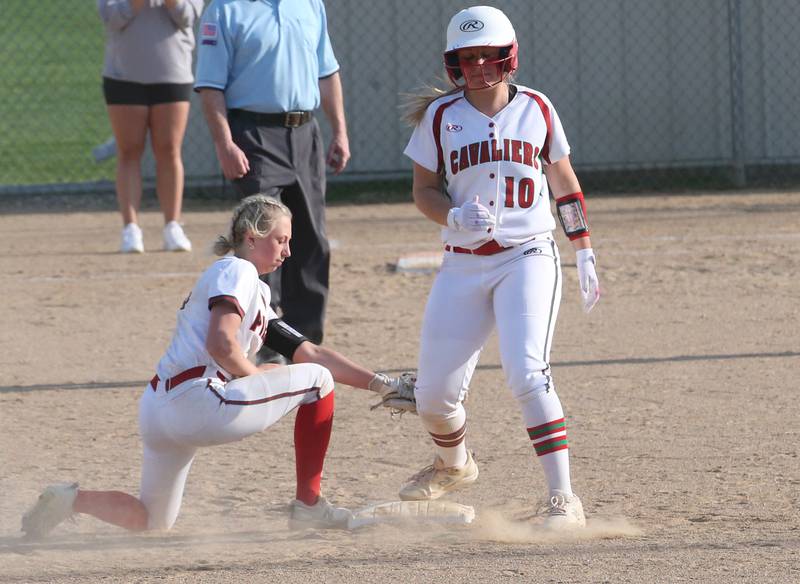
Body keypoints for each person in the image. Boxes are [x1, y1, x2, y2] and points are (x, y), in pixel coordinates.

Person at [21, 195, 415, 538]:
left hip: (161, 408)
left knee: (151, 520)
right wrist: (256, 374)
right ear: (251, 236)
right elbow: (222, 342)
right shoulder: (237, 270)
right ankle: (309, 507)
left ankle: (69, 500)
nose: (287, 251)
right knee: (318, 383)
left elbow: (309, 352)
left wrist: (383, 384)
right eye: (281, 239)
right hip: (196, 401)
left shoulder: (250, 289)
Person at [399, 6, 601, 529]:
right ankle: (453, 464)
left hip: (526, 254)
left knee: (526, 372)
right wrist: (452, 213)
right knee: (433, 396)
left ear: (508, 56)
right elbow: (423, 190)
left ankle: (563, 499)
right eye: (468, 58)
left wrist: (582, 246)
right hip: (462, 263)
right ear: (453, 63)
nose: (479, 66)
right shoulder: (441, 117)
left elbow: (563, 179)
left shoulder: (537, 107)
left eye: (488, 55)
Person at [194, 0, 350, 364]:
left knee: (311, 240)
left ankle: (304, 344)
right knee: (260, 243)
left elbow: (327, 73)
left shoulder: (310, 4)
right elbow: (210, 86)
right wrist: (225, 143)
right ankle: (260, 345)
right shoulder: (224, 10)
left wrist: (339, 131)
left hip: (305, 132)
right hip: (254, 134)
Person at [98, 0, 202, 253]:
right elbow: (111, 17)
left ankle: (172, 226)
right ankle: (131, 229)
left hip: (173, 73)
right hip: (123, 76)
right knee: (129, 150)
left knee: (168, 150)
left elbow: (188, 16)